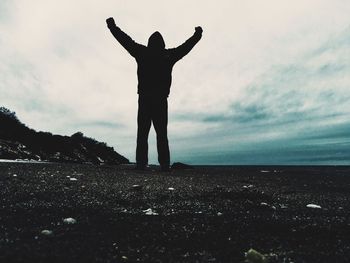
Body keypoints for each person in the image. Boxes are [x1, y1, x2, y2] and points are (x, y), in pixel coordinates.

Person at [106, 17, 202, 171]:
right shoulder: (168, 55)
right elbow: (186, 47)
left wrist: (112, 27)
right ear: (162, 44)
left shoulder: (142, 52)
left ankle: (141, 163)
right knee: (161, 134)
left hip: (145, 99)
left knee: (143, 133)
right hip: (160, 100)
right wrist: (197, 35)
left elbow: (125, 40)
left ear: (149, 42)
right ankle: (164, 164)